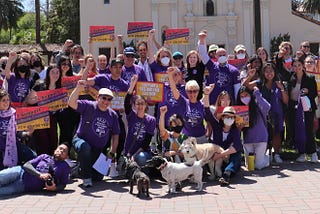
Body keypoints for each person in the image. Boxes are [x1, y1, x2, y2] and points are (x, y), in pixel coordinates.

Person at [69, 83, 120, 187]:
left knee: (98, 177)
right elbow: (71, 103)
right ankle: (86, 179)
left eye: (109, 99)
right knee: (85, 147)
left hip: (97, 149)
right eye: (104, 98)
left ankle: (78, 170)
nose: (106, 101)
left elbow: (115, 135)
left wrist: (112, 152)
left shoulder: (113, 115)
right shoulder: (88, 106)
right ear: (97, 97)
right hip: (80, 140)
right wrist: (78, 88)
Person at [86, 59, 129, 159]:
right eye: (115, 67)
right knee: (103, 140)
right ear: (110, 68)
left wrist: (123, 107)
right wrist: (87, 68)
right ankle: (99, 164)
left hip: (115, 115)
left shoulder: (124, 84)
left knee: (121, 137)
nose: (118, 69)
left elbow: (127, 101)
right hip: (100, 114)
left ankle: (116, 161)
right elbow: (86, 82)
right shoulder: (102, 78)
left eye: (120, 67)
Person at [281, 57, 318, 162]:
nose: (297, 68)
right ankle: (302, 152)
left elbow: (314, 93)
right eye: (295, 66)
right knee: (297, 130)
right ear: (292, 67)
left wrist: (308, 91)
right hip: (294, 108)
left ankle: (313, 152)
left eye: (299, 65)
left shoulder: (310, 78)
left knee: (308, 129)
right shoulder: (291, 78)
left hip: (307, 108)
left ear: (303, 66)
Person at [203, 85, 242, 185]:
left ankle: (226, 174)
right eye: (226, 116)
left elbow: (237, 146)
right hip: (214, 157)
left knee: (236, 156)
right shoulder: (217, 126)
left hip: (226, 156)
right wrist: (206, 94)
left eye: (231, 117)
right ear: (222, 117)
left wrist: (221, 155)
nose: (229, 119)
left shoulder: (235, 130)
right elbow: (207, 111)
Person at [0, 144, 71, 196]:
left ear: (66, 157)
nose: (61, 151)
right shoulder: (44, 156)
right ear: (55, 150)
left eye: (64, 151)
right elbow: (26, 165)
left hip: (24, 186)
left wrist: (54, 188)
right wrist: (40, 174)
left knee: (2, 191)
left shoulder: (65, 167)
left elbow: (63, 184)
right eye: (60, 148)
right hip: (19, 172)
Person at [26, 65, 61, 155]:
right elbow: (29, 100)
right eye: (53, 72)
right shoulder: (40, 84)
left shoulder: (60, 86)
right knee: (42, 142)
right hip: (40, 118)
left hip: (53, 118)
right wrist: (41, 98)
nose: (55, 74)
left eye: (57, 72)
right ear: (48, 73)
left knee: (53, 141)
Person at [198, 31, 240, 104]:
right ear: (216, 56)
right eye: (220, 55)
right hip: (213, 103)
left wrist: (237, 104)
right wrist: (202, 40)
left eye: (224, 55)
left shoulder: (234, 70)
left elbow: (237, 89)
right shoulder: (212, 66)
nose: (222, 57)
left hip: (228, 105)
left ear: (227, 56)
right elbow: (203, 54)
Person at [257, 62, 288, 163]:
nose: (269, 73)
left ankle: (277, 154)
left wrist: (282, 89)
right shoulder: (259, 83)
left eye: (271, 71)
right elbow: (244, 86)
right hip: (263, 113)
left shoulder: (279, 83)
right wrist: (250, 76)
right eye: (266, 71)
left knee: (277, 133)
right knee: (263, 133)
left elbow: (286, 101)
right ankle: (264, 155)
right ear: (263, 73)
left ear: (275, 72)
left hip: (277, 113)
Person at [124, 75, 156, 171]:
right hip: (129, 151)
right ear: (134, 105)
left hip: (142, 152)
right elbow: (126, 102)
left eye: (142, 103)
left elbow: (146, 142)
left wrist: (135, 155)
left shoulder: (151, 120)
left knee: (141, 158)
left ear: (146, 105)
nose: (140, 106)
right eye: (137, 103)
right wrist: (132, 84)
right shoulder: (131, 116)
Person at [167, 67, 207, 143]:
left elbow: (209, 120)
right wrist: (170, 75)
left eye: (194, 91)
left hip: (201, 138)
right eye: (189, 91)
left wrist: (209, 132)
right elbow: (174, 89)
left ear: (198, 91)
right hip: (186, 138)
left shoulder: (202, 104)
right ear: (186, 92)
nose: (192, 94)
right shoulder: (183, 102)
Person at [237, 85, 271, 170]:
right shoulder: (239, 109)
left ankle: (267, 157)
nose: (244, 98)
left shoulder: (257, 105)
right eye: (242, 96)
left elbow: (267, 107)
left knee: (258, 166)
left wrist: (258, 94)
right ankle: (261, 158)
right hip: (248, 140)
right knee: (249, 166)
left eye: (246, 95)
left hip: (261, 139)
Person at [56, 55, 80, 145]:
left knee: (70, 131)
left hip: (72, 107)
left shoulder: (73, 77)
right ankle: (61, 150)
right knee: (63, 131)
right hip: (60, 108)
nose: (65, 65)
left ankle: (68, 151)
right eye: (63, 64)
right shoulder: (56, 76)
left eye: (67, 64)